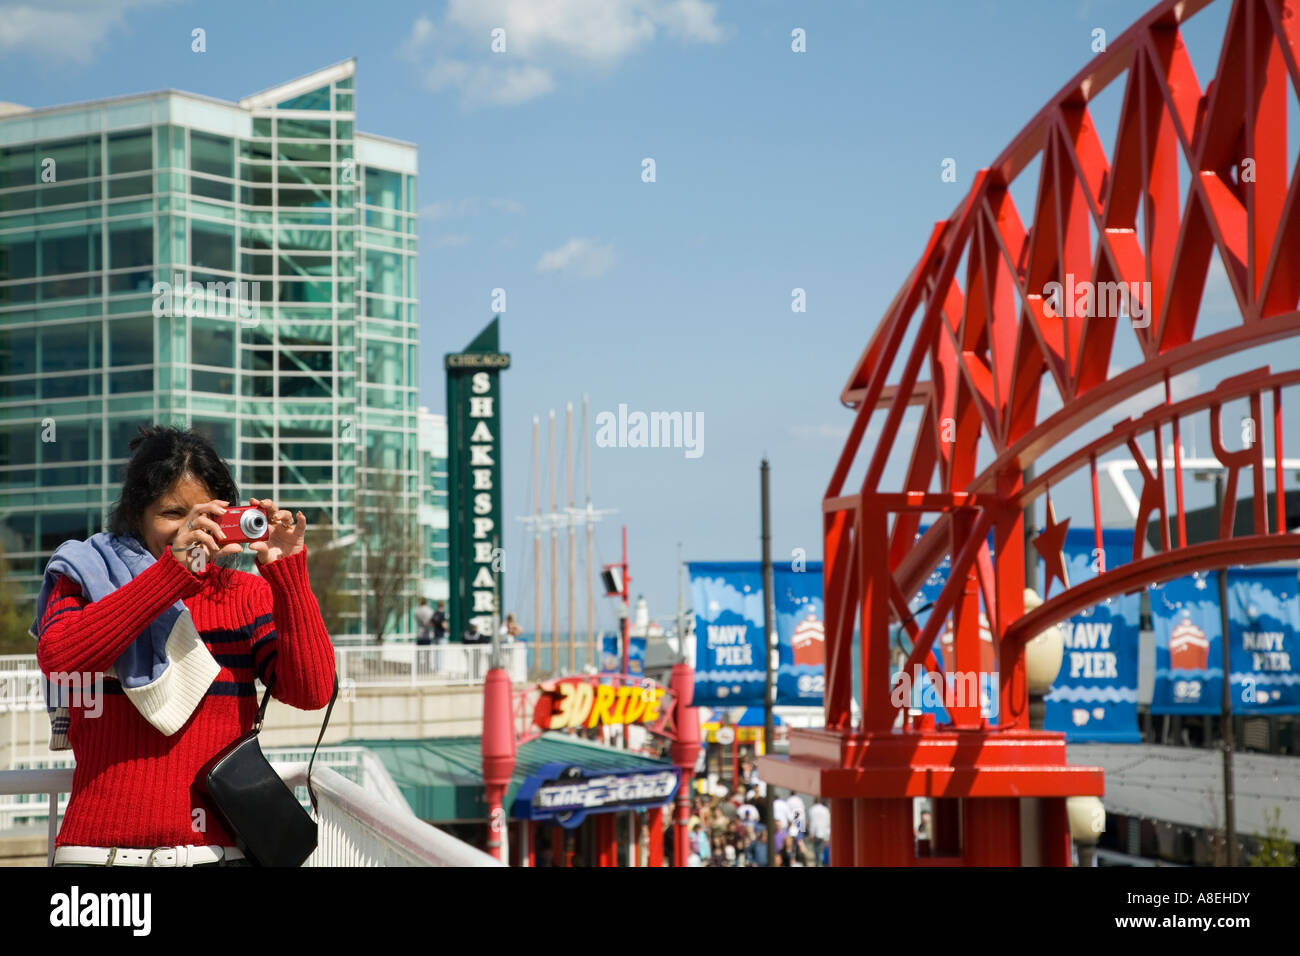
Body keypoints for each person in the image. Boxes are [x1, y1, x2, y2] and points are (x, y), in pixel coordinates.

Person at [33, 425, 336, 868]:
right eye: (173, 513)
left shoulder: (244, 595)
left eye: (205, 513)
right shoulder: (85, 577)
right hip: (99, 855)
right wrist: (173, 574)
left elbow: (311, 691)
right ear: (137, 514)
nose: (191, 529)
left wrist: (286, 572)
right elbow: (61, 659)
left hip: (217, 855)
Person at [808, 799, 831, 866]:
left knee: (816, 850)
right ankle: (821, 862)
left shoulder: (812, 809)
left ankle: (818, 863)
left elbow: (812, 823)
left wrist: (811, 834)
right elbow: (828, 823)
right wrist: (827, 836)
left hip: (815, 833)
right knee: (822, 849)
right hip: (824, 833)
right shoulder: (826, 810)